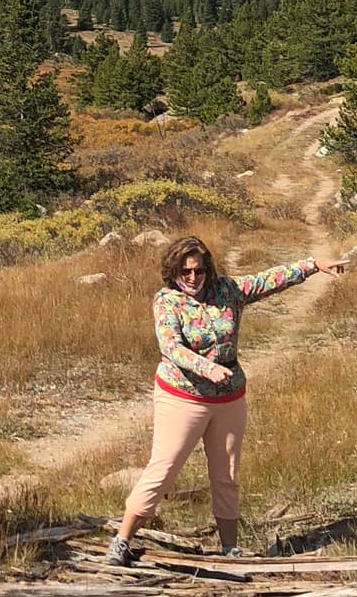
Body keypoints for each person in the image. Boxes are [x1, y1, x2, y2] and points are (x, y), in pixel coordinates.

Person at [107, 235, 345, 563]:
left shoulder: (227, 290)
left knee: (226, 472)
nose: (193, 278)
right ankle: (121, 540)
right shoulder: (166, 301)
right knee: (163, 469)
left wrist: (313, 266)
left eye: (199, 271)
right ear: (173, 271)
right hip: (183, 395)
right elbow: (171, 347)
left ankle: (229, 547)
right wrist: (206, 367)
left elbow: (268, 280)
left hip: (229, 397)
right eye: (185, 271)